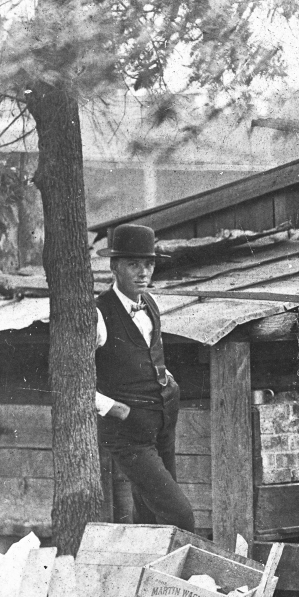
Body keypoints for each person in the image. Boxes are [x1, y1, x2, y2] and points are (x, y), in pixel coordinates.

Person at [94, 223, 196, 533]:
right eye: (133, 264)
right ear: (115, 267)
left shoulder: (150, 304)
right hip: (129, 433)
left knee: (150, 515)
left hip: (162, 420)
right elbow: (73, 380)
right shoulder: (98, 313)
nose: (143, 272)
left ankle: (150, 578)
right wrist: (115, 409)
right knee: (180, 516)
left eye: (148, 264)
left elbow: (150, 354)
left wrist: (168, 384)